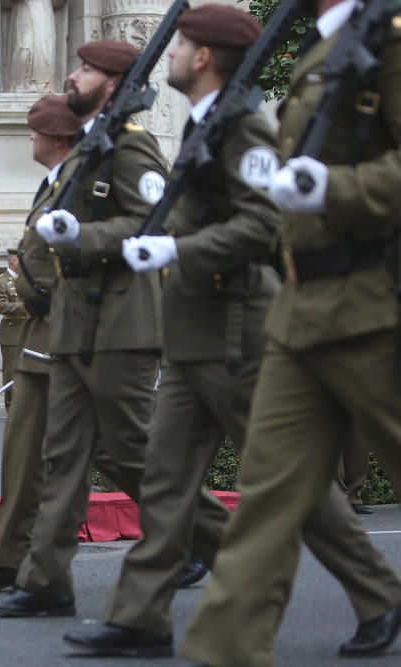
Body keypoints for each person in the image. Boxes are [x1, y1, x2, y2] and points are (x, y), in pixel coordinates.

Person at [60, 6, 401, 658]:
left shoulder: (242, 127)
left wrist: (176, 251)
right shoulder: (206, 121)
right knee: (168, 481)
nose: (174, 56)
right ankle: (141, 616)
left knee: (289, 488)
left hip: (239, 325)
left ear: (207, 56)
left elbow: (259, 222)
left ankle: (379, 590)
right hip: (200, 330)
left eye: (183, 43)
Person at [182, 0, 401, 663]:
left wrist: (335, 187)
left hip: (375, 301)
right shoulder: (321, 46)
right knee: (268, 497)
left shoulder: (388, 40)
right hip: (303, 307)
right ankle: (226, 650)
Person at [0, 40, 230, 618]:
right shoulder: (91, 147)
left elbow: (154, 218)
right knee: (64, 456)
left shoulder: (129, 148)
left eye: (88, 68)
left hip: (122, 321)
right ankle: (45, 582)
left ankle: (225, 541)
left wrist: (83, 237)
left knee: (136, 452)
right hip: (73, 323)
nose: (74, 73)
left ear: (114, 84)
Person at [0, 94, 78, 589]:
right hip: (37, 334)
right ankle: (7, 561)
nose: (27, 136)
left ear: (57, 137)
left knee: (117, 449)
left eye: (36, 130)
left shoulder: (85, 178)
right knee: (22, 449)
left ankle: (197, 535)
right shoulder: (54, 182)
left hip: (74, 332)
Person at [0, 248, 28, 410]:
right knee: (11, 376)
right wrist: (27, 307)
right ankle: (12, 411)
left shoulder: (28, 279)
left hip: (30, 332)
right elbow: (1, 306)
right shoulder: (1, 281)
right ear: (14, 261)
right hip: (12, 334)